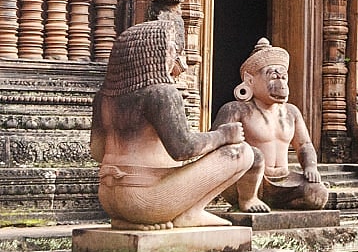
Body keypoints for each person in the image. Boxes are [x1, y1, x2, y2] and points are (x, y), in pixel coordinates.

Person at [91, 16, 254, 230]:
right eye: (176, 52)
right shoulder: (161, 93)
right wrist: (223, 135)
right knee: (242, 153)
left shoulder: (103, 97)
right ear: (159, 54)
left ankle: (129, 220)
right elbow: (183, 149)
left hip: (110, 198)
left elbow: (97, 151)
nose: (182, 64)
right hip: (146, 199)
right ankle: (191, 213)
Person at [213, 39, 328, 212]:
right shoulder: (236, 109)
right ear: (250, 80)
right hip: (246, 180)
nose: (281, 84)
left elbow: (304, 144)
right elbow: (216, 147)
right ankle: (247, 200)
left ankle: (275, 203)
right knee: (254, 155)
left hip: (283, 179)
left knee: (318, 194)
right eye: (273, 77)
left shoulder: (291, 112)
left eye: (283, 77)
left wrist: (310, 167)